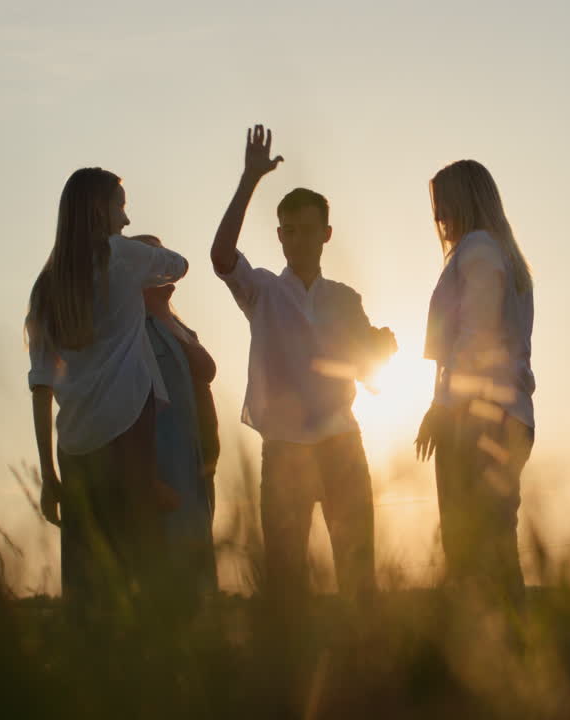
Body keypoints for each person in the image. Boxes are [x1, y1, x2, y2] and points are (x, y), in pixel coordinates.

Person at [211, 125, 396, 600]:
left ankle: (367, 669)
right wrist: (251, 178)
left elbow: (369, 369)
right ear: (279, 235)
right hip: (285, 452)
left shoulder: (344, 299)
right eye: (288, 231)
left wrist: (382, 347)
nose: (297, 239)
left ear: (326, 234)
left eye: (308, 229)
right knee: (286, 585)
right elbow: (221, 256)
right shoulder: (264, 293)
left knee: (359, 580)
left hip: (342, 447)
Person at [26, 167, 188, 614]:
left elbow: (41, 384)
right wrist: (147, 245)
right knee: (141, 564)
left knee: (87, 576)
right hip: (128, 432)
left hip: (75, 447)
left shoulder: (45, 288)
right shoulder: (124, 255)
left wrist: (47, 474)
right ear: (102, 209)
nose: (126, 218)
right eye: (121, 205)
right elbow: (179, 266)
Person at [415, 159, 536, 610]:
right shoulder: (501, 254)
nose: (438, 218)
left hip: (479, 418)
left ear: (463, 201)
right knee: (495, 544)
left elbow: (475, 336)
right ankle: (510, 653)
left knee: (473, 550)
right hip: (508, 414)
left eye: (443, 205)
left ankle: (490, 658)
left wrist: (442, 408)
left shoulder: (478, 249)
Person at [142, 251, 220, 595]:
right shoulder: (133, 332)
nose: (163, 264)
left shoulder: (178, 326)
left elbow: (206, 370)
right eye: (151, 257)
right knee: (170, 577)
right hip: (165, 471)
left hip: (198, 466)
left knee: (198, 567)